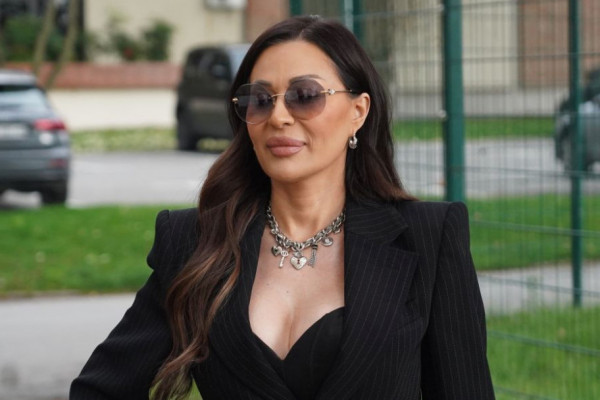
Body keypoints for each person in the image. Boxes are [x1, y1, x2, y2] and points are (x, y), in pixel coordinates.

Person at [70, 15, 495, 400]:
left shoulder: (428, 237)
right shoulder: (194, 242)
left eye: (304, 95)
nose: (278, 117)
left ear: (358, 111)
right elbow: (99, 389)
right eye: (260, 99)